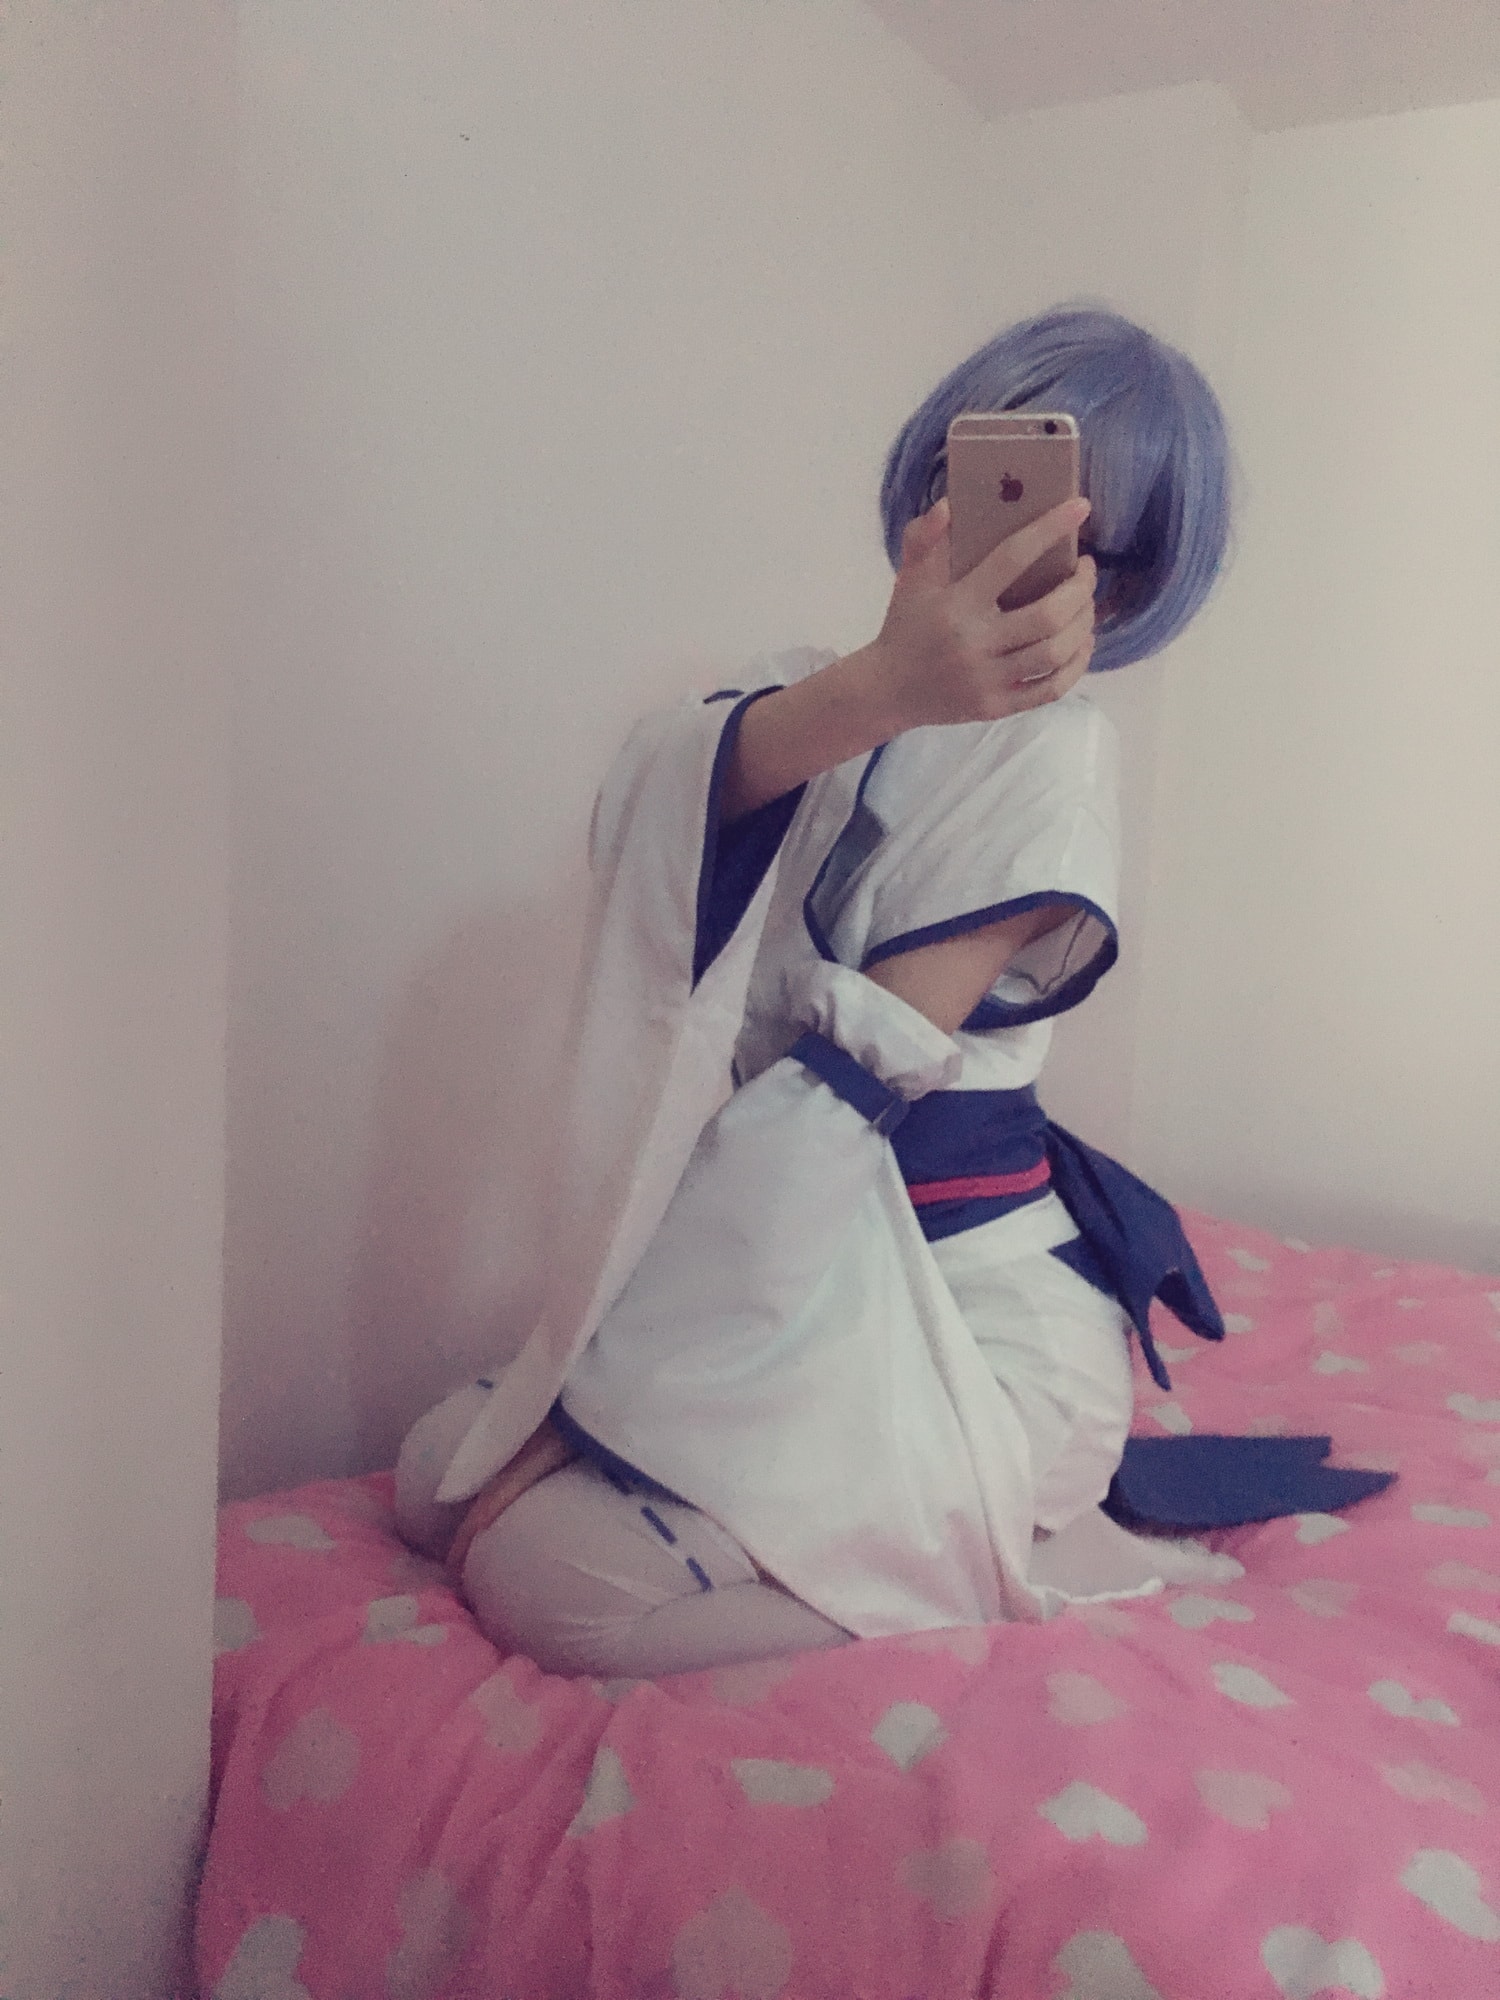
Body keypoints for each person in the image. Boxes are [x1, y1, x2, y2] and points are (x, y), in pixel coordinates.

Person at [393, 304, 1387, 1679]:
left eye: (1086, 547)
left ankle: (1007, 1570)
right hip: (770, 1266)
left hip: (957, 1325)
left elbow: (836, 1099)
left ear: (1127, 591)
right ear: (933, 482)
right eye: (994, 494)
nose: (1030, 560)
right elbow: (654, 811)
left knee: (542, 1579)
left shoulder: (1055, 764)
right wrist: (886, 688)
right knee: (429, 1474)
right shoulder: (813, 691)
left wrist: (599, 1415)